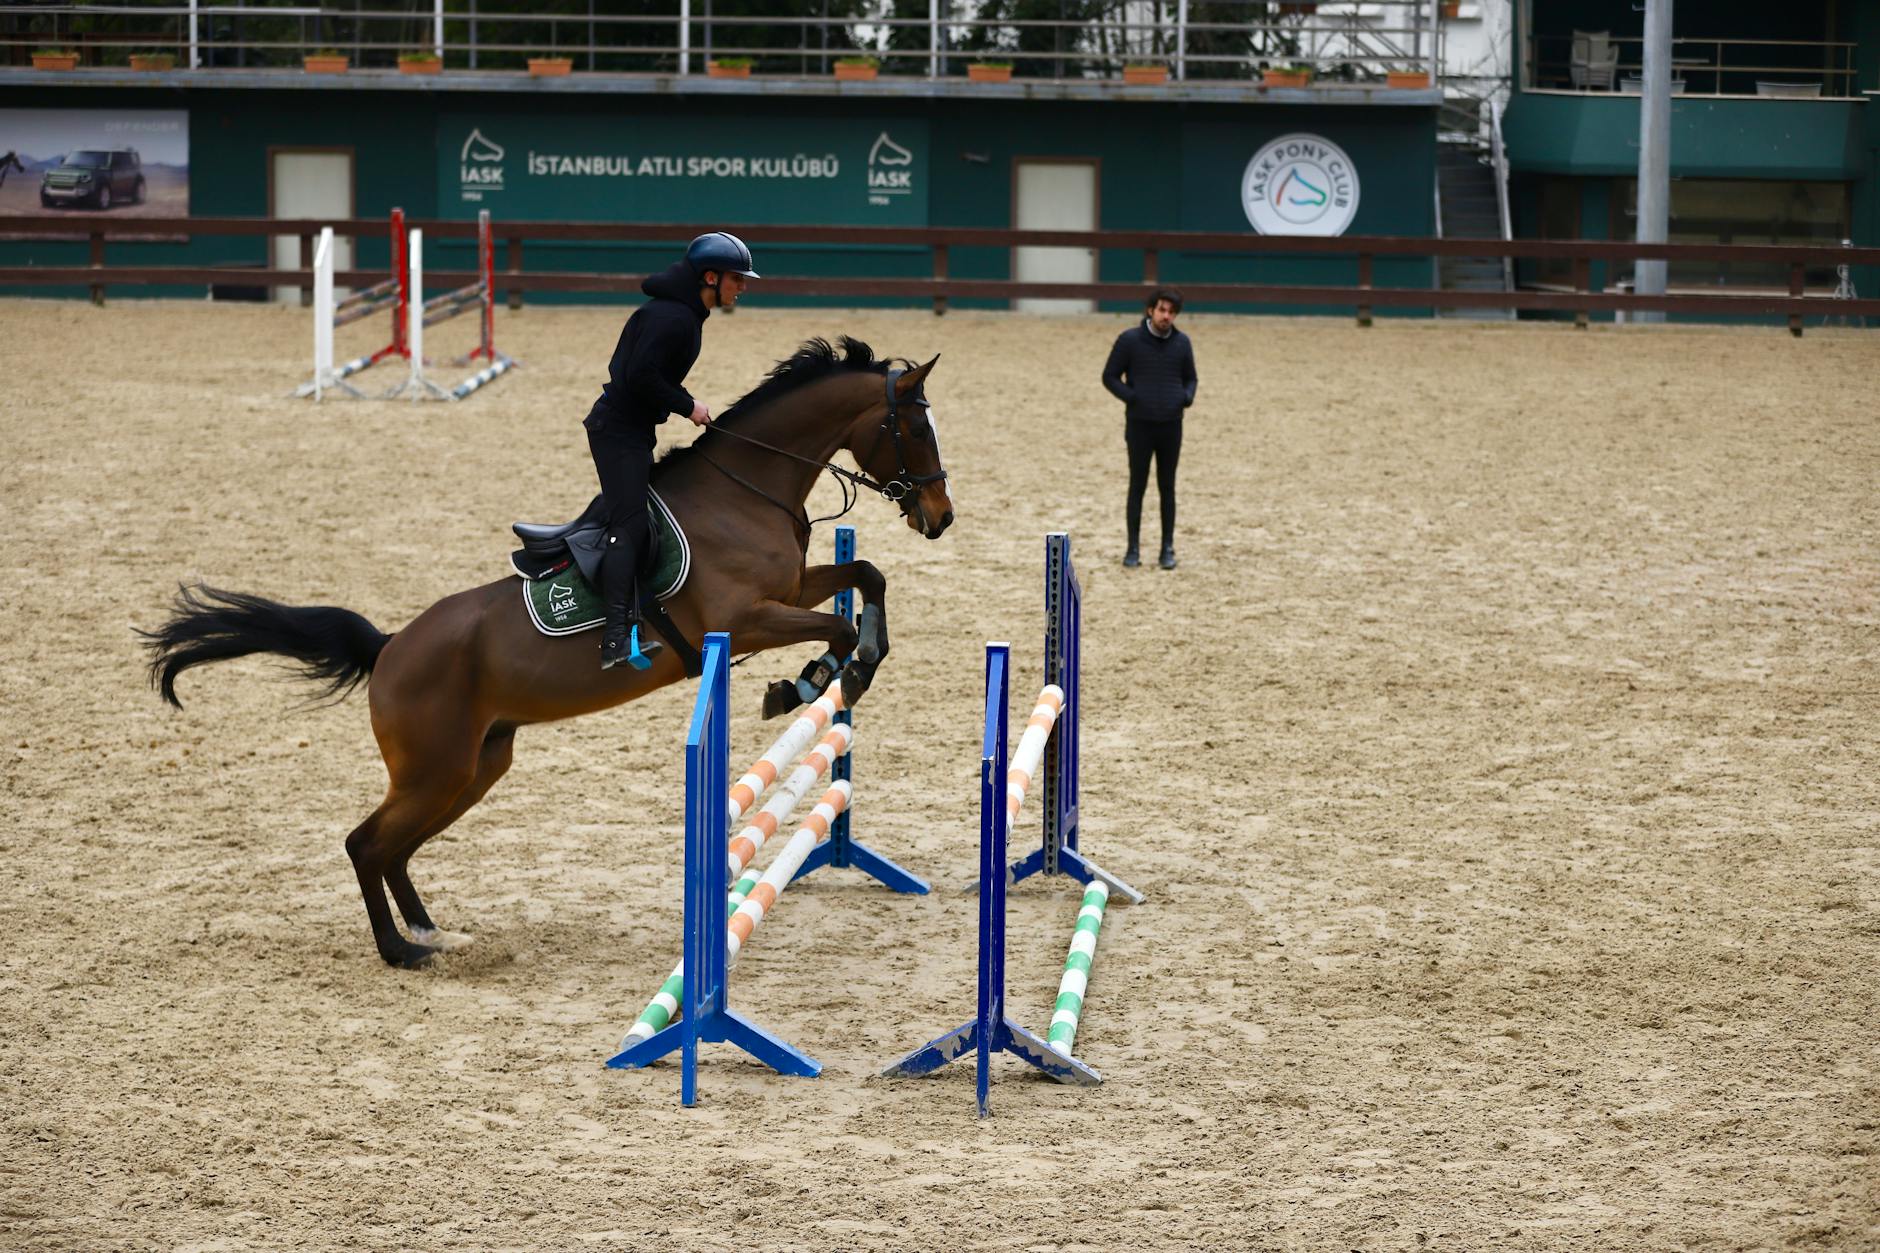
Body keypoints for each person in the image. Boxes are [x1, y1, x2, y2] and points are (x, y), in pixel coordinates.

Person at [584, 231, 758, 669]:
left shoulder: (685, 313)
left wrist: (681, 402)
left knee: (641, 517)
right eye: (737, 279)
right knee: (631, 527)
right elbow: (639, 375)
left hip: (632, 430)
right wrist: (687, 405)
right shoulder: (674, 318)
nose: (743, 287)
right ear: (710, 277)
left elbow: (642, 372)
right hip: (617, 431)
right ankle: (616, 639)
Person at [1101, 288, 1197, 570]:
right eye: (1162, 310)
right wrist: (1132, 397)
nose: (1166, 316)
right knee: (1138, 486)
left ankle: (1167, 548)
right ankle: (1133, 548)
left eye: (1171, 312)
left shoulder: (1182, 344)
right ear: (1150, 310)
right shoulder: (1130, 340)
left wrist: (1186, 397)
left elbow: (1191, 378)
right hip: (1139, 426)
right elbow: (1109, 376)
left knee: (1167, 487)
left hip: (1171, 425)